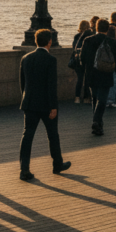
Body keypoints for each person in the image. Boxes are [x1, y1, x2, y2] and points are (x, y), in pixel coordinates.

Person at [18, 29, 70, 181]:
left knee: (27, 136)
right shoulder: (51, 60)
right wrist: (53, 106)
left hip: (30, 104)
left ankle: (24, 169)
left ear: (36, 41)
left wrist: (26, 99)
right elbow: (51, 86)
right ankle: (57, 164)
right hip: (47, 105)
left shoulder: (26, 58)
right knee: (53, 135)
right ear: (49, 42)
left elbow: (23, 83)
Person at [80, 19, 116, 136]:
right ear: (107, 29)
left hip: (91, 75)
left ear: (96, 28)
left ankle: (98, 125)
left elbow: (82, 59)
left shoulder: (87, 40)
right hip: (106, 75)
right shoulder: (111, 42)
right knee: (102, 100)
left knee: (95, 99)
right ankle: (96, 122)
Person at [71, 21, 92, 104]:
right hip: (86, 60)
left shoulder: (76, 36)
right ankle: (86, 98)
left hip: (77, 60)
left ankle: (77, 98)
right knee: (87, 79)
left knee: (79, 79)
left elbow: (74, 47)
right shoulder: (89, 36)